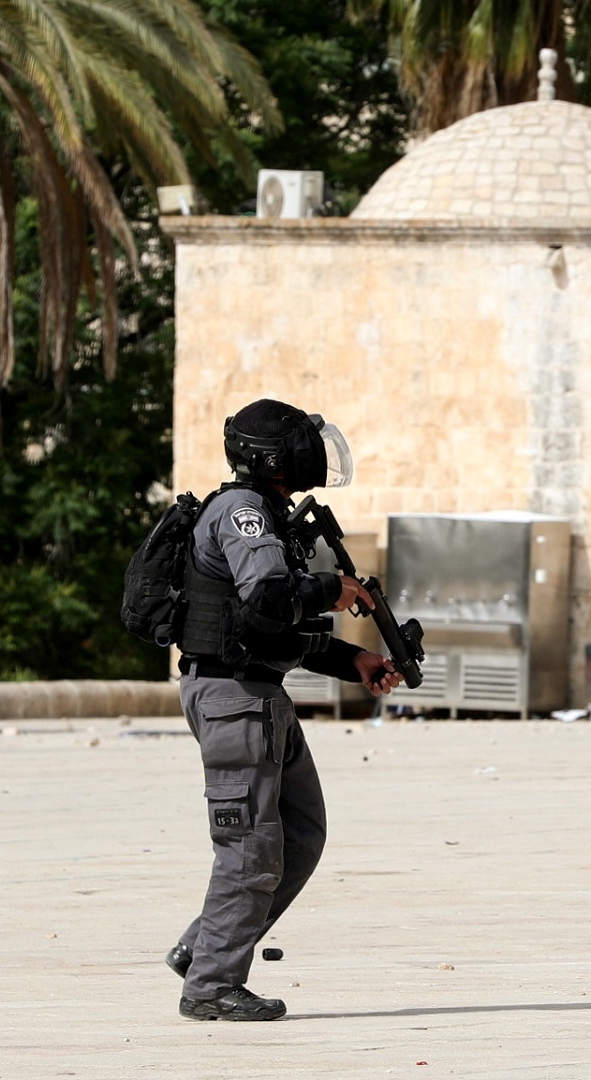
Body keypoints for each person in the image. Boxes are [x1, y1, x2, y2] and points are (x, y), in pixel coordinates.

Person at [165, 399, 401, 1022]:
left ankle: (207, 947)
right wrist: (333, 587)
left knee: (301, 833)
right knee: (249, 847)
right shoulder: (241, 512)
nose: (313, 455)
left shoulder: (268, 516)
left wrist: (355, 661)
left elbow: (271, 631)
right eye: (301, 444)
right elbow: (269, 600)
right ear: (273, 456)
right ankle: (212, 985)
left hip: (259, 693)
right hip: (233, 700)